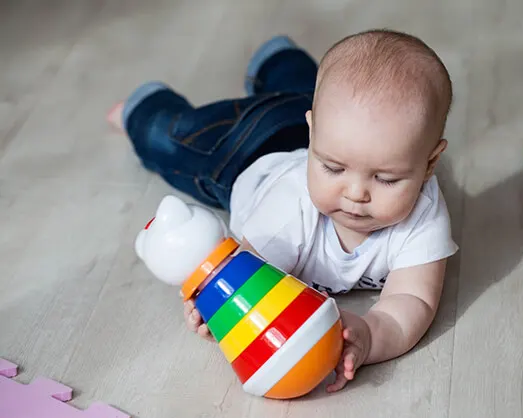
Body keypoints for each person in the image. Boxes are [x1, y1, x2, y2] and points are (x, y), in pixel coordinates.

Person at [109, 29, 459, 393]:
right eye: (334, 170)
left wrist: (371, 332)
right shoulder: (289, 211)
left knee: (303, 90)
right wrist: (220, 313)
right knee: (175, 141)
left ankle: (277, 58)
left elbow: (412, 301)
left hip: (328, 127)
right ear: (314, 136)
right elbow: (245, 283)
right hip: (246, 148)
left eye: (385, 178)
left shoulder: (424, 216)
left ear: (430, 163)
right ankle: (143, 109)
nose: (355, 194)